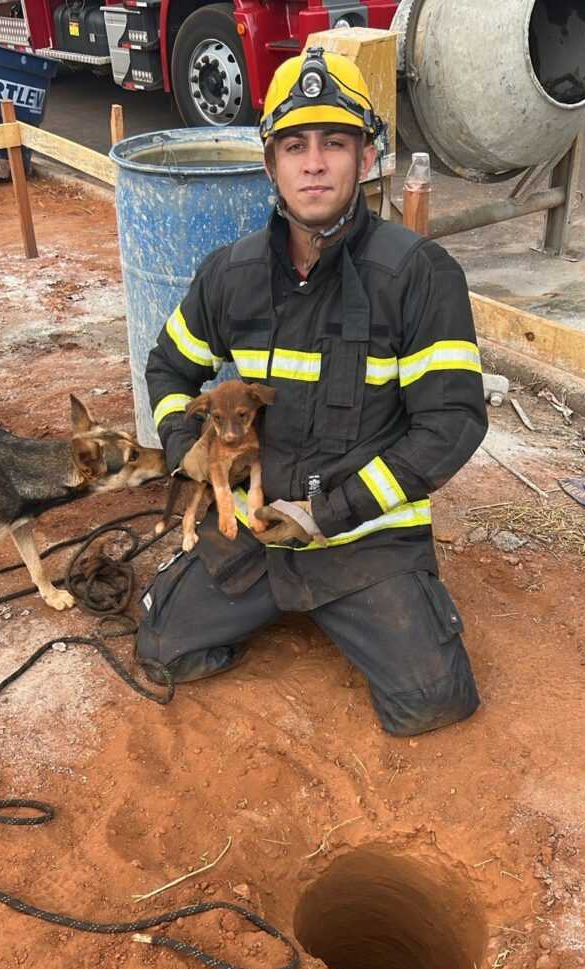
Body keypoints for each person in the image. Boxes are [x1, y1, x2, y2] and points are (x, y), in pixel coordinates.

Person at [139, 47, 488, 737]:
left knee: (431, 702)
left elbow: (449, 425)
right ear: (269, 163)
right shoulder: (228, 275)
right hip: (254, 533)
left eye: (335, 142)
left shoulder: (417, 276)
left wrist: (330, 512)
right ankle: (277, 603)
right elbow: (169, 369)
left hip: (363, 543)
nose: (314, 162)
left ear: (366, 158)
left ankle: (364, 614)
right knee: (163, 650)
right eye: (294, 144)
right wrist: (188, 451)